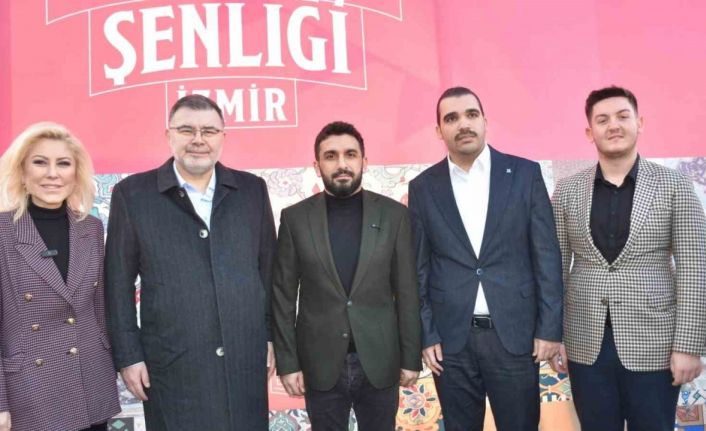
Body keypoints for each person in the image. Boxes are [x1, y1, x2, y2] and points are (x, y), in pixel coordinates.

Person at [104, 94, 277, 430]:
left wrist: (271, 336)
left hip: (244, 359)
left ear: (223, 137)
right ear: (168, 135)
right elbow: (117, 284)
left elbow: (269, 272)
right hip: (172, 366)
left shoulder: (252, 190)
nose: (198, 139)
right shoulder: (132, 194)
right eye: (187, 130)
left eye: (209, 131)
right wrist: (129, 356)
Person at [550, 86, 706, 431]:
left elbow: (696, 268)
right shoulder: (567, 190)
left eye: (623, 116)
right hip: (585, 342)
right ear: (590, 132)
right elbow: (554, 268)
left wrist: (688, 346)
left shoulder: (675, 186)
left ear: (640, 123)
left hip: (656, 343)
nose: (614, 126)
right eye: (602, 120)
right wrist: (553, 334)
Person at [407, 87, 564, 430]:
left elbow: (547, 257)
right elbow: (418, 268)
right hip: (451, 342)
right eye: (451, 118)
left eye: (471, 114)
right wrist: (427, 333)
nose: (463, 124)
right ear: (439, 130)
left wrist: (550, 329)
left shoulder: (524, 174)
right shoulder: (423, 187)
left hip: (515, 336)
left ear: (485, 121)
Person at [272, 121, 421, 430]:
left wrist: (410, 357)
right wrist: (288, 363)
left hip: (380, 361)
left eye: (350, 154)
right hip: (320, 364)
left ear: (364, 162)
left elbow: (407, 291)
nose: (342, 164)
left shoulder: (394, 216)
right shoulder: (294, 219)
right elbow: (283, 297)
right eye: (331, 156)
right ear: (317, 166)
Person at [0, 122, 121, 431]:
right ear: (22, 172)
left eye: (63, 163)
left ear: (76, 173)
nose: (52, 174)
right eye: (40, 162)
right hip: (30, 391)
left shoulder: (91, 228)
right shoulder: (3, 232)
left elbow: (99, 311)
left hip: (91, 384)